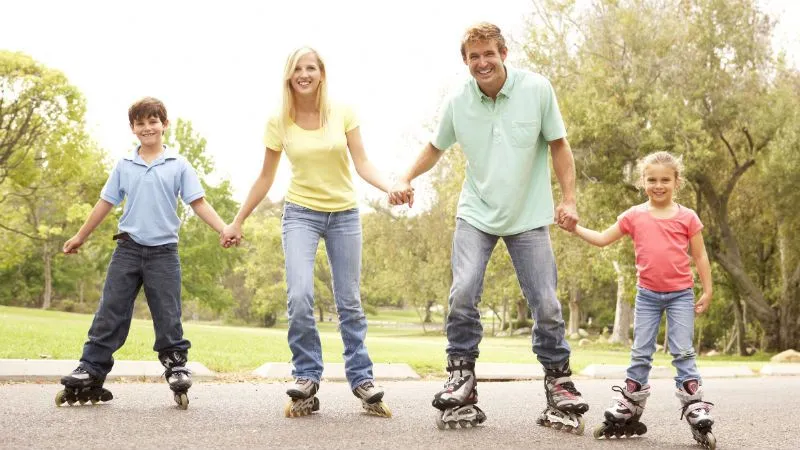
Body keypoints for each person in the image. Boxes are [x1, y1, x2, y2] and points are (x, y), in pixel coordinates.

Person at [389, 22, 588, 431]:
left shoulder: (537, 89)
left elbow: (559, 146)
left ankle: (559, 382)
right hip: (476, 213)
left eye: (489, 54)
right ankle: (462, 378)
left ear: (504, 53)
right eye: (473, 57)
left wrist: (568, 200)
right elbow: (434, 147)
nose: (482, 62)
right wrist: (406, 177)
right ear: (466, 62)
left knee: (546, 302)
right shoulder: (458, 100)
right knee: (463, 291)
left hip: (529, 214)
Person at [221, 47, 396, 418]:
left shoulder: (343, 112)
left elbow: (362, 161)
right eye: (297, 68)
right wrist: (237, 220)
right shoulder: (278, 121)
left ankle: (362, 378)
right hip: (300, 213)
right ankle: (305, 376)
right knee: (300, 295)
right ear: (289, 75)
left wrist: (389, 186)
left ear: (321, 73)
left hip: (345, 214)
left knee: (348, 300)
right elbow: (266, 177)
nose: (304, 74)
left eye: (311, 68)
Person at [57, 97, 229, 410]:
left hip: (164, 252)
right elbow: (105, 203)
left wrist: (224, 229)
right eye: (141, 123)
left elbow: (198, 203)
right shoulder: (125, 165)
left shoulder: (178, 165)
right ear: (133, 128)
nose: (147, 127)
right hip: (128, 249)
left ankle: (175, 364)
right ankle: (91, 368)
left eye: (153, 121)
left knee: (167, 314)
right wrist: (80, 236)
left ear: (165, 124)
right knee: (111, 311)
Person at [572, 151, 715, 447]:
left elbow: (700, 255)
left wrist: (708, 289)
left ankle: (694, 403)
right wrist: (573, 227)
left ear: (677, 182)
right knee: (641, 351)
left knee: (682, 349)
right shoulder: (633, 216)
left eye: (665, 179)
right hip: (647, 295)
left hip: (681, 295)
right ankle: (631, 402)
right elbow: (601, 238)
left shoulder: (688, 217)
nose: (658, 185)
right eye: (652, 179)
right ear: (642, 181)